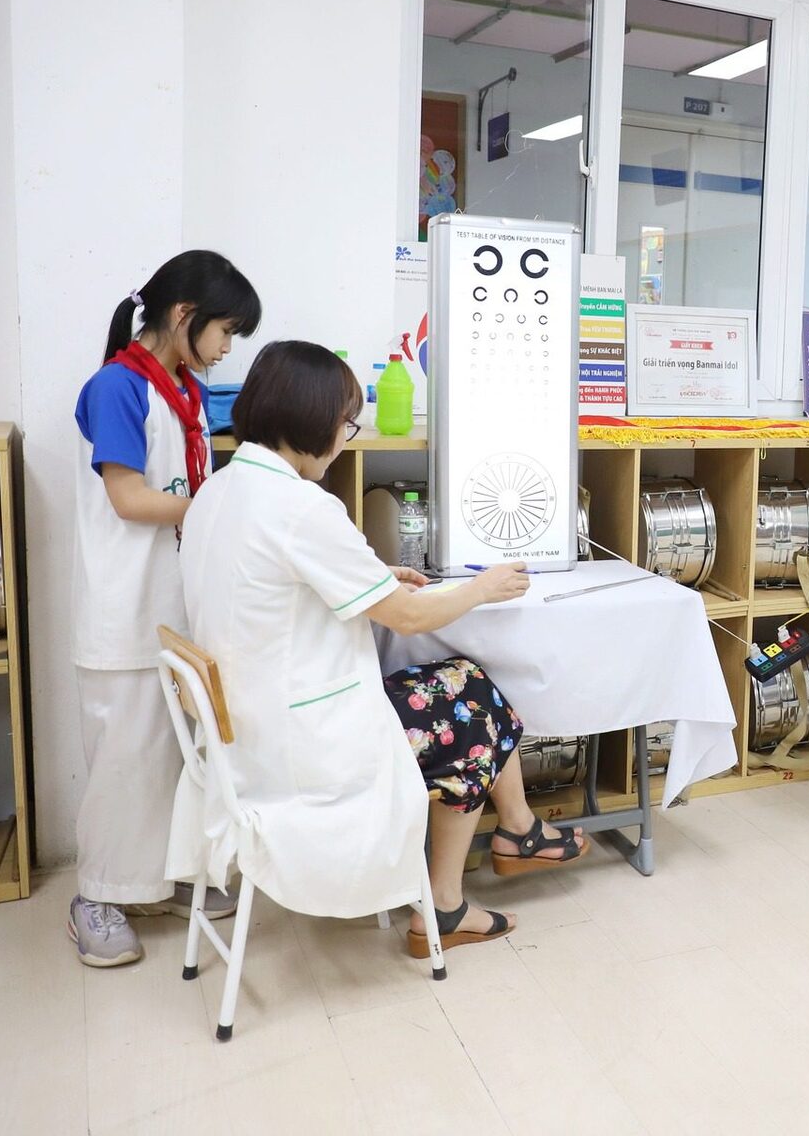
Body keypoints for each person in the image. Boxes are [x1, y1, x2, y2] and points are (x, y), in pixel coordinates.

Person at [170, 340, 587, 955]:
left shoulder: (220, 490)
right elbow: (410, 618)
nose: (346, 439)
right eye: (346, 424)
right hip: (305, 749)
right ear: (313, 420)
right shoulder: (301, 507)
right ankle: (450, 898)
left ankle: (518, 831)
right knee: (474, 704)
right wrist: (483, 587)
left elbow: (263, 583)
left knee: (463, 682)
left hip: (245, 735)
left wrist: (372, 576)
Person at [69, 250, 262, 967]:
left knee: (176, 754)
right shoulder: (116, 387)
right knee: (123, 762)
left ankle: (164, 877)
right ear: (184, 315)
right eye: (225, 331)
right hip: (123, 608)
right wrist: (219, 507)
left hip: (176, 603)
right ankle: (95, 897)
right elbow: (129, 498)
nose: (227, 347)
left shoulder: (184, 391)